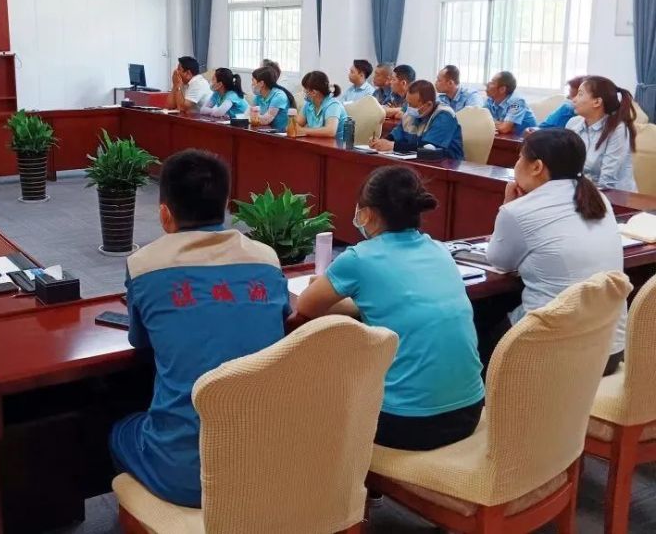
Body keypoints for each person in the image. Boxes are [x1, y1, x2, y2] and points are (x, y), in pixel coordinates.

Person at [109, 149, 290, 507]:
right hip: (268, 461)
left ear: (164, 214)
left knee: (120, 429)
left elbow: (139, 341)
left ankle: (146, 517)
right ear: (225, 205)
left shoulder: (144, 265)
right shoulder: (267, 259)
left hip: (188, 477)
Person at [294, 166, 484, 450]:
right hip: (469, 411)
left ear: (367, 213)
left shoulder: (359, 258)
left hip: (407, 423)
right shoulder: (438, 250)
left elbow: (306, 306)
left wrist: (333, 293)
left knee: (317, 389)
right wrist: (357, 302)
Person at [485, 129, 627, 374]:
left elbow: (499, 261)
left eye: (520, 157)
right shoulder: (597, 198)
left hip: (553, 354)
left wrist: (509, 204)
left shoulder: (519, 211)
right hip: (609, 351)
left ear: (536, 167)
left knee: (479, 325)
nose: (516, 164)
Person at [566, 75, 637, 191]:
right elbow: (567, 167)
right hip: (583, 191)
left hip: (616, 196)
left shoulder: (617, 130)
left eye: (580, 94)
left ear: (597, 102)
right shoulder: (572, 124)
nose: (574, 99)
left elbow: (607, 181)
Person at [371, 80, 464, 159]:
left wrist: (393, 146)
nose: (408, 108)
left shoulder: (445, 115)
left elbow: (428, 148)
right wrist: (380, 142)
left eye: (412, 105)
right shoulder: (410, 114)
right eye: (407, 103)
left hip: (448, 165)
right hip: (415, 161)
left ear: (428, 104)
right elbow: (395, 135)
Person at [296, 70, 346, 138]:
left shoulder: (333, 105)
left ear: (314, 92)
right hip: (316, 142)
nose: (304, 91)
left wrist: (303, 130)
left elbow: (330, 131)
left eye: (305, 89)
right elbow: (295, 125)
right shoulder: (309, 104)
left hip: (336, 143)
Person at [251, 65, 292, 131]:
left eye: (253, 81)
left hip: (279, 134)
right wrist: (251, 116)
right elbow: (247, 114)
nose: (252, 84)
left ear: (261, 83)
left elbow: (265, 120)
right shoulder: (258, 96)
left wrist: (252, 116)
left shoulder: (279, 96)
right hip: (263, 131)